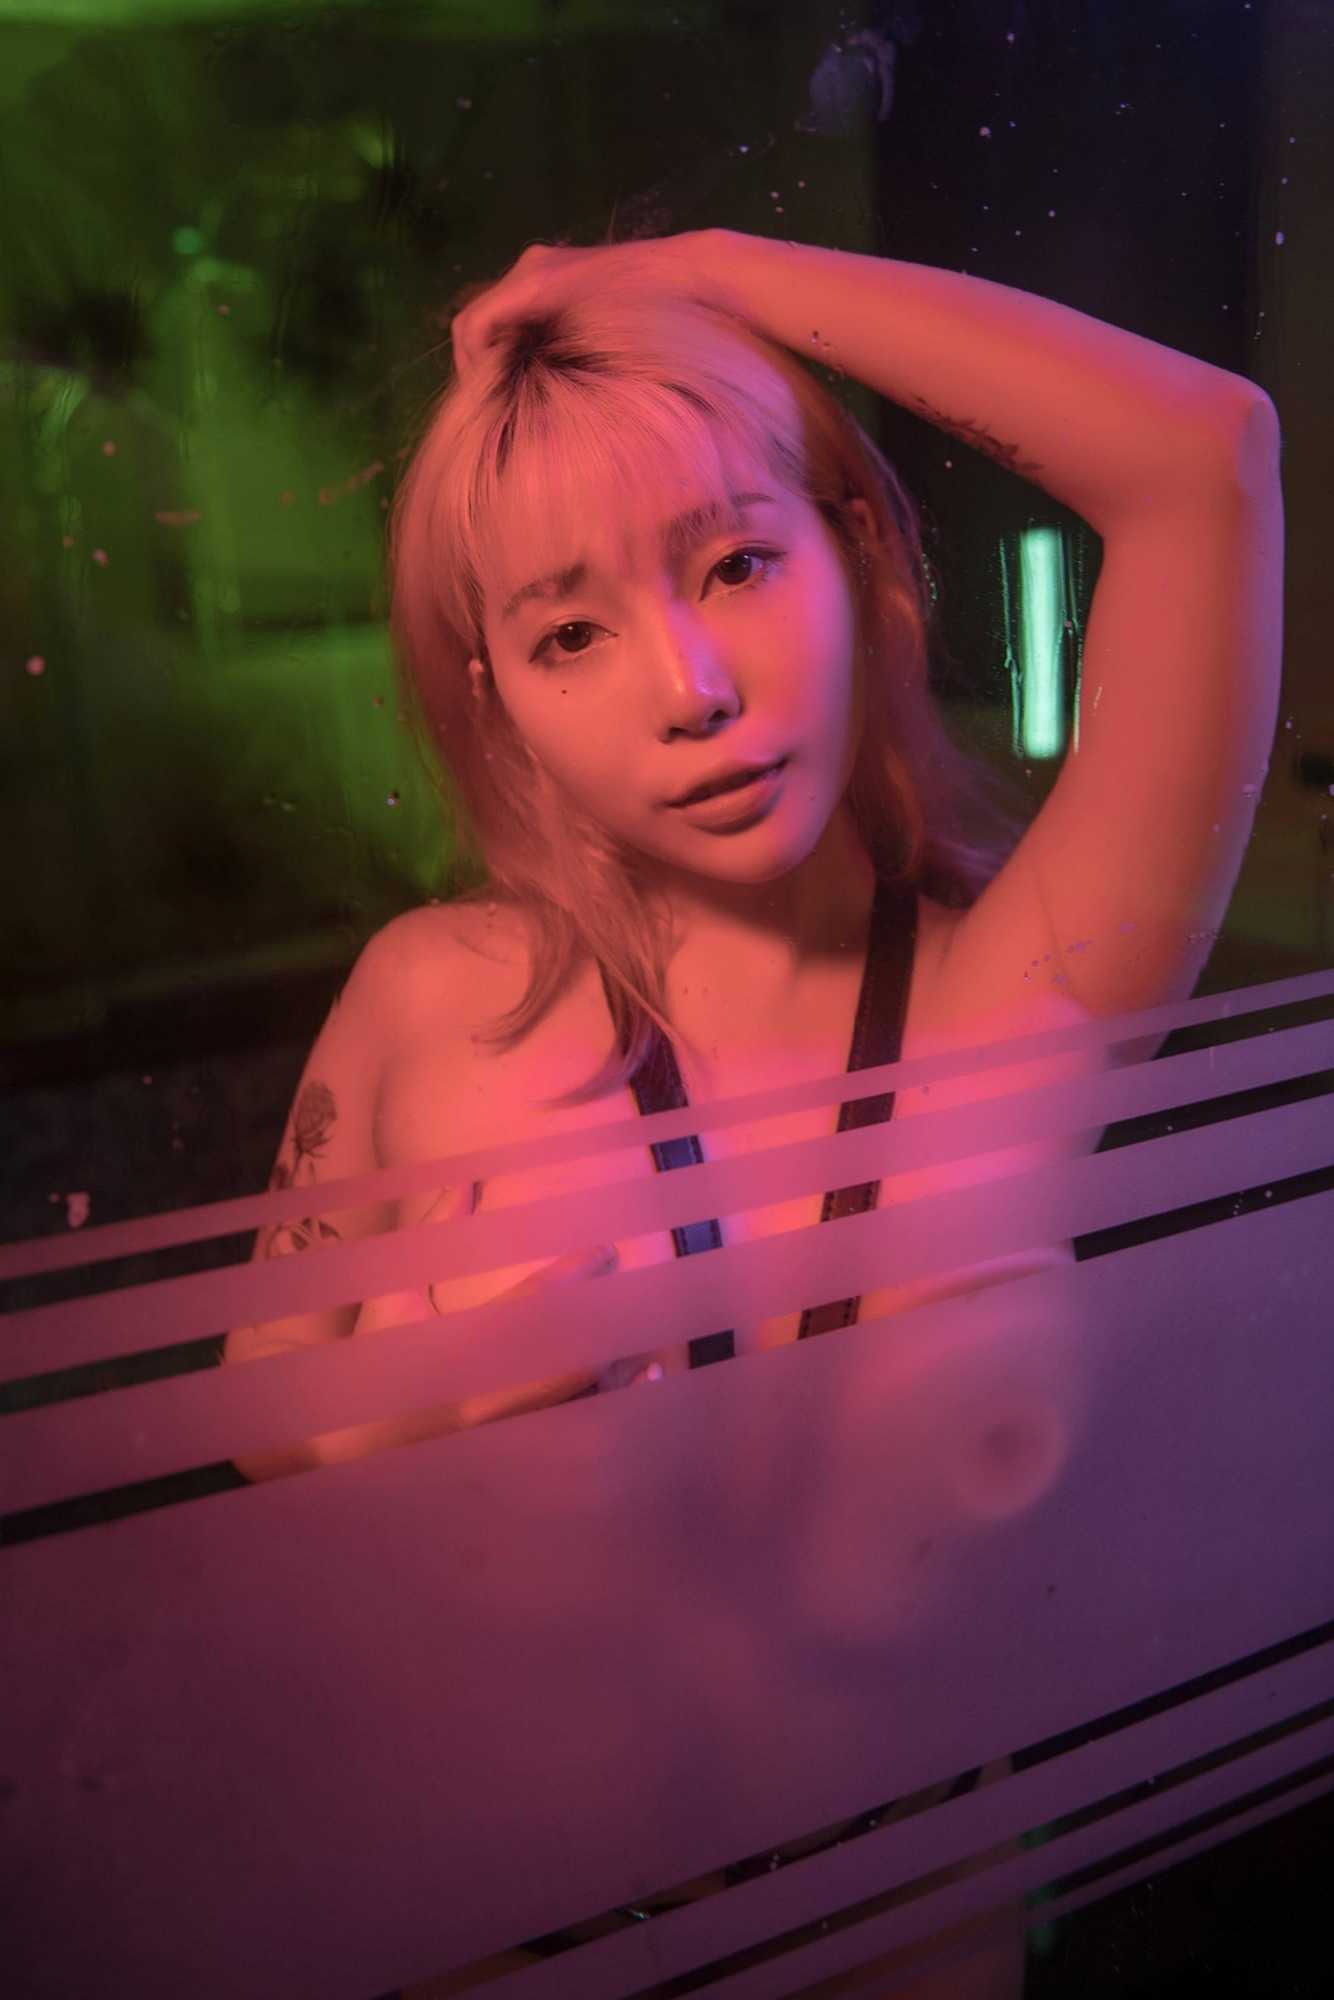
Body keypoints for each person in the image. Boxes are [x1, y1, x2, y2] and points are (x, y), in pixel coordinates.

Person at [221, 227, 1278, 1996]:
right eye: (569, 632)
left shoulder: (1005, 1009)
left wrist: (692, 270)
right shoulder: (441, 994)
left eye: (732, 563)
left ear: (853, 546)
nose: (690, 690)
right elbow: (254, 1409)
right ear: (498, 700)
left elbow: (1201, 458)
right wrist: (399, 1451)